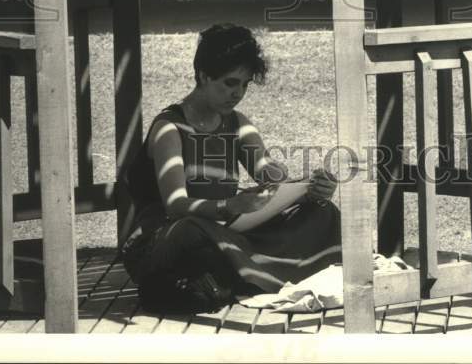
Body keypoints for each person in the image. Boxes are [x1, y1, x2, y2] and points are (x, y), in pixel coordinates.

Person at [121, 24, 341, 314]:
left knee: (323, 212)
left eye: (245, 85)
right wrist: (229, 204)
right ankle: (244, 274)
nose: (237, 93)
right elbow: (175, 205)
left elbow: (266, 171)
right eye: (229, 83)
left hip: (222, 231)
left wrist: (307, 187)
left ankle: (239, 275)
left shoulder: (237, 123)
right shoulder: (169, 128)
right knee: (193, 232)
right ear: (203, 76)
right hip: (166, 237)